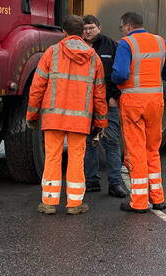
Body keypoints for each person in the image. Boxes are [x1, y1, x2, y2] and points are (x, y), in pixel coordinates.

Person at [26, 15, 108, 215]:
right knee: (76, 159)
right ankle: (74, 204)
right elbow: (99, 94)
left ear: (64, 31)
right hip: (80, 120)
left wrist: (32, 114)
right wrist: (101, 122)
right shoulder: (93, 58)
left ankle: (49, 203)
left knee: (52, 158)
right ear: (82, 33)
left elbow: (37, 87)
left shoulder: (52, 53)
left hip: (53, 117)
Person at [110, 11, 166, 213]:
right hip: (155, 101)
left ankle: (139, 202)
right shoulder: (160, 42)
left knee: (136, 151)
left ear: (127, 26)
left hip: (134, 102)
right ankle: (158, 198)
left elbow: (120, 73)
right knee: (152, 150)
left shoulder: (127, 44)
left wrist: (116, 81)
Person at [81, 15, 129, 198]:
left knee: (112, 142)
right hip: (86, 104)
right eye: (85, 29)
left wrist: (115, 97)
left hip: (108, 103)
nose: (88, 31)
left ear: (99, 27)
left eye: (91, 28)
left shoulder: (112, 46)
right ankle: (91, 180)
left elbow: (121, 72)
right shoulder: (80, 46)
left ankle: (115, 183)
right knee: (89, 143)